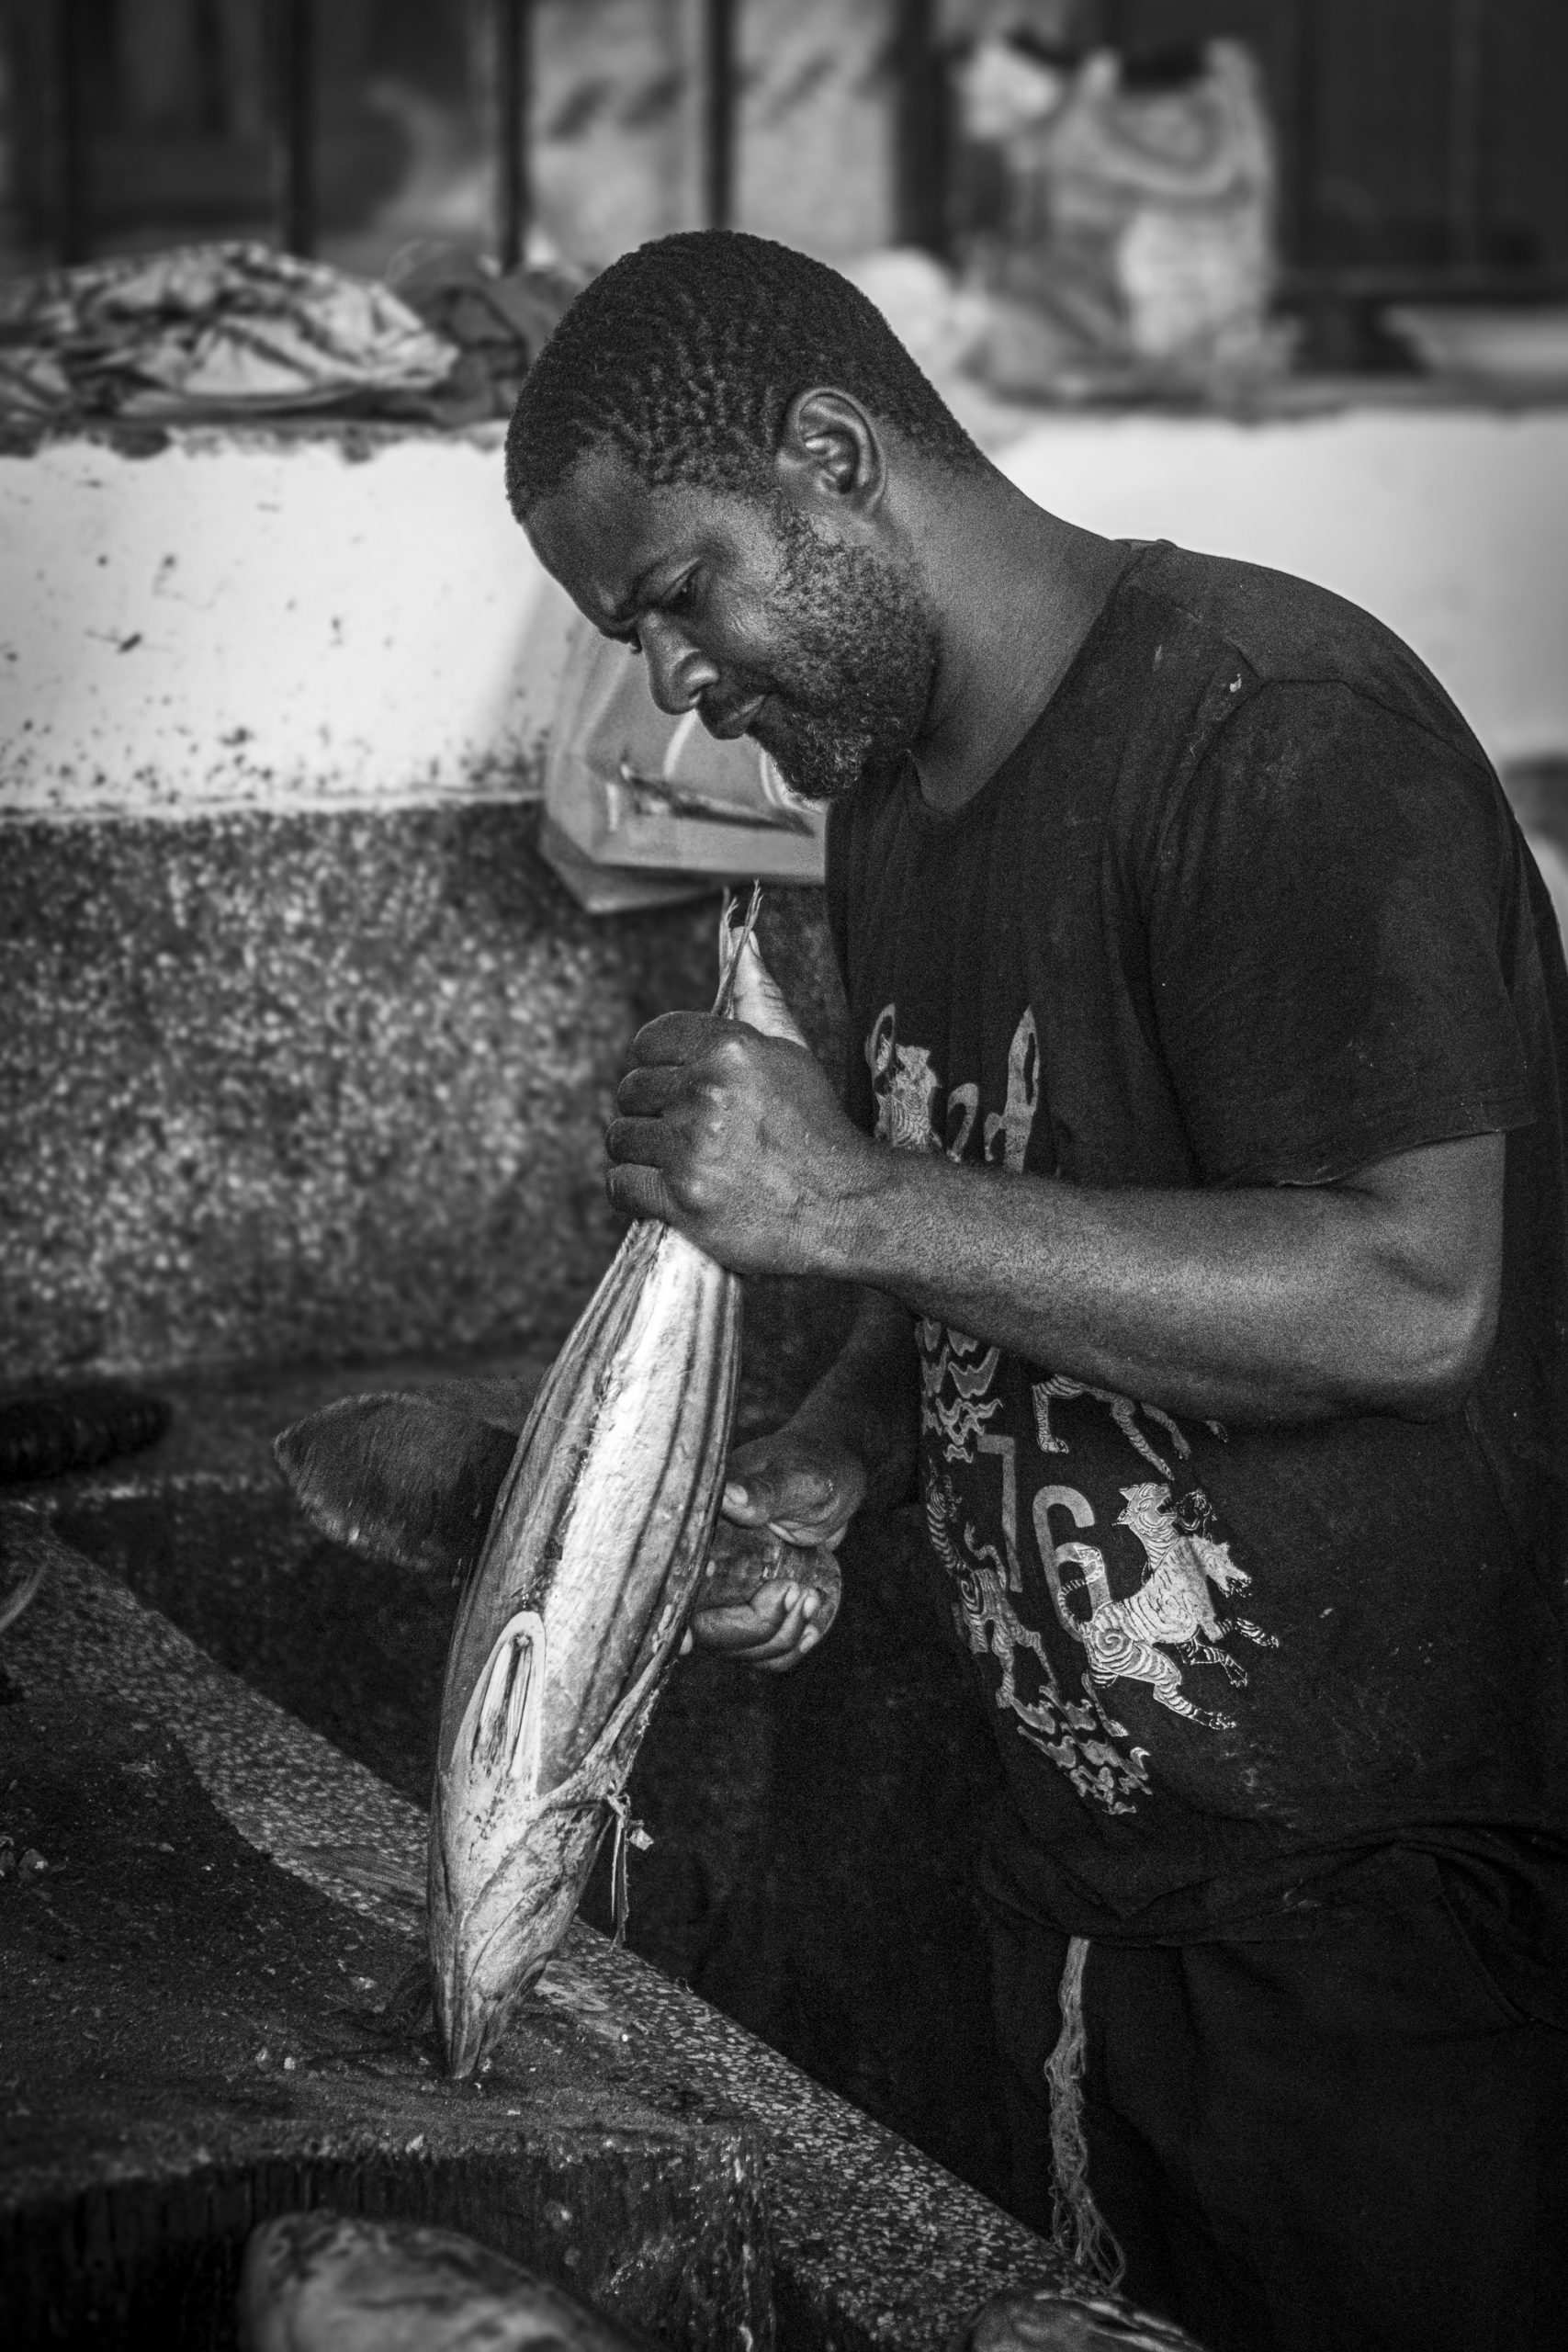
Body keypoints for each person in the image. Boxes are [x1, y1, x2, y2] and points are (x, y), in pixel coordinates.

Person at [504, 229, 1568, 2352]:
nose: (672, 682)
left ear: (831, 453)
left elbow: (1405, 1293)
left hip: (1379, 1929)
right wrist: (829, 1455)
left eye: (678, 595)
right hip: (1082, 1885)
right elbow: (977, 1210)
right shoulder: (892, 799)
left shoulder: (1271, 731)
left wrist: (841, 1197)